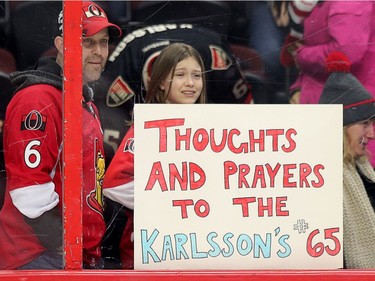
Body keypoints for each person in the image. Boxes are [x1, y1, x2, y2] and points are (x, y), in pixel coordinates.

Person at [0, 1, 121, 270]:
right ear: (60, 43)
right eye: (87, 42)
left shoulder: (82, 100)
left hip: (74, 255)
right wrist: (72, 254)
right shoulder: (38, 98)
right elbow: (30, 196)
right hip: (40, 260)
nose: (99, 52)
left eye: (103, 43)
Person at [102, 43, 207, 269]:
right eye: (180, 75)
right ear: (159, 82)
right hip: (148, 255)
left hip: (199, 252)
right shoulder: (148, 128)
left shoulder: (213, 130)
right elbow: (114, 185)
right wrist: (165, 200)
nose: (190, 82)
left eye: (197, 75)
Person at [288, 1, 375, 167]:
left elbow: (347, 51)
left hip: (354, 108)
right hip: (332, 104)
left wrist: (301, 55)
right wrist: (298, 87)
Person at [319, 51, 375, 269]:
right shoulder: (321, 180)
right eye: (364, 124)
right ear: (341, 127)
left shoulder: (363, 169)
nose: (371, 134)